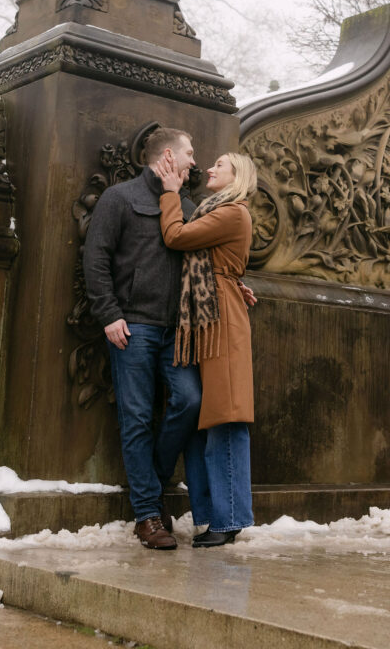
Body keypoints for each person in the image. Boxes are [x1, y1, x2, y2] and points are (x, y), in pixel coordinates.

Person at [83, 127, 202, 550]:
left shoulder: (186, 205)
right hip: (132, 326)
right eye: (189, 153)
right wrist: (109, 314)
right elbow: (94, 257)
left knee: (189, 401)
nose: (194, 161)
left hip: (176, 331)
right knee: (134, 417)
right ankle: (148, 515)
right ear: (167, 155)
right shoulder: (119, 197)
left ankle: (150, 476)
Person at [154, 150, 257, 547]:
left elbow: (176, 236)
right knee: (206, 422)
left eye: (219, 166)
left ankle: (229, 519)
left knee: (226, 418)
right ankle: (214, 517)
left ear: (237, 177)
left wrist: (169, 192)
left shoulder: (232, 212)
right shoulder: (219, 210)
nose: (209, 169)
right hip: (207, 319)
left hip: (221, 322)